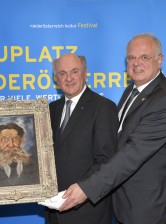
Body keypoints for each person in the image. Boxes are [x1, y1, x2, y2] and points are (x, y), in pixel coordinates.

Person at [58, 33, 166, 224]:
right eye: (131, 58)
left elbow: (132, 154)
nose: (137, 63)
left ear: (159, 60)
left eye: (144, 57)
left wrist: (87, 188)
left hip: (151, 210)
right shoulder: (132, 91)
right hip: (124, 206)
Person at [42, 53, 119, 224]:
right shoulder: (50, 110)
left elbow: (106, 161)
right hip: (53, 210)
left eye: (74, 71)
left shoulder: (103, 108)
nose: (69, 78)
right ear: (56, 78)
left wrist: (82, 190)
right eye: (62, 73)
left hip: (87, 211)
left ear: (85, 73)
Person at [0, 122, 40, 187]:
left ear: (21, 141)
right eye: (5, 140)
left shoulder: (36, 166)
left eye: (15, 139)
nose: (11, 144)